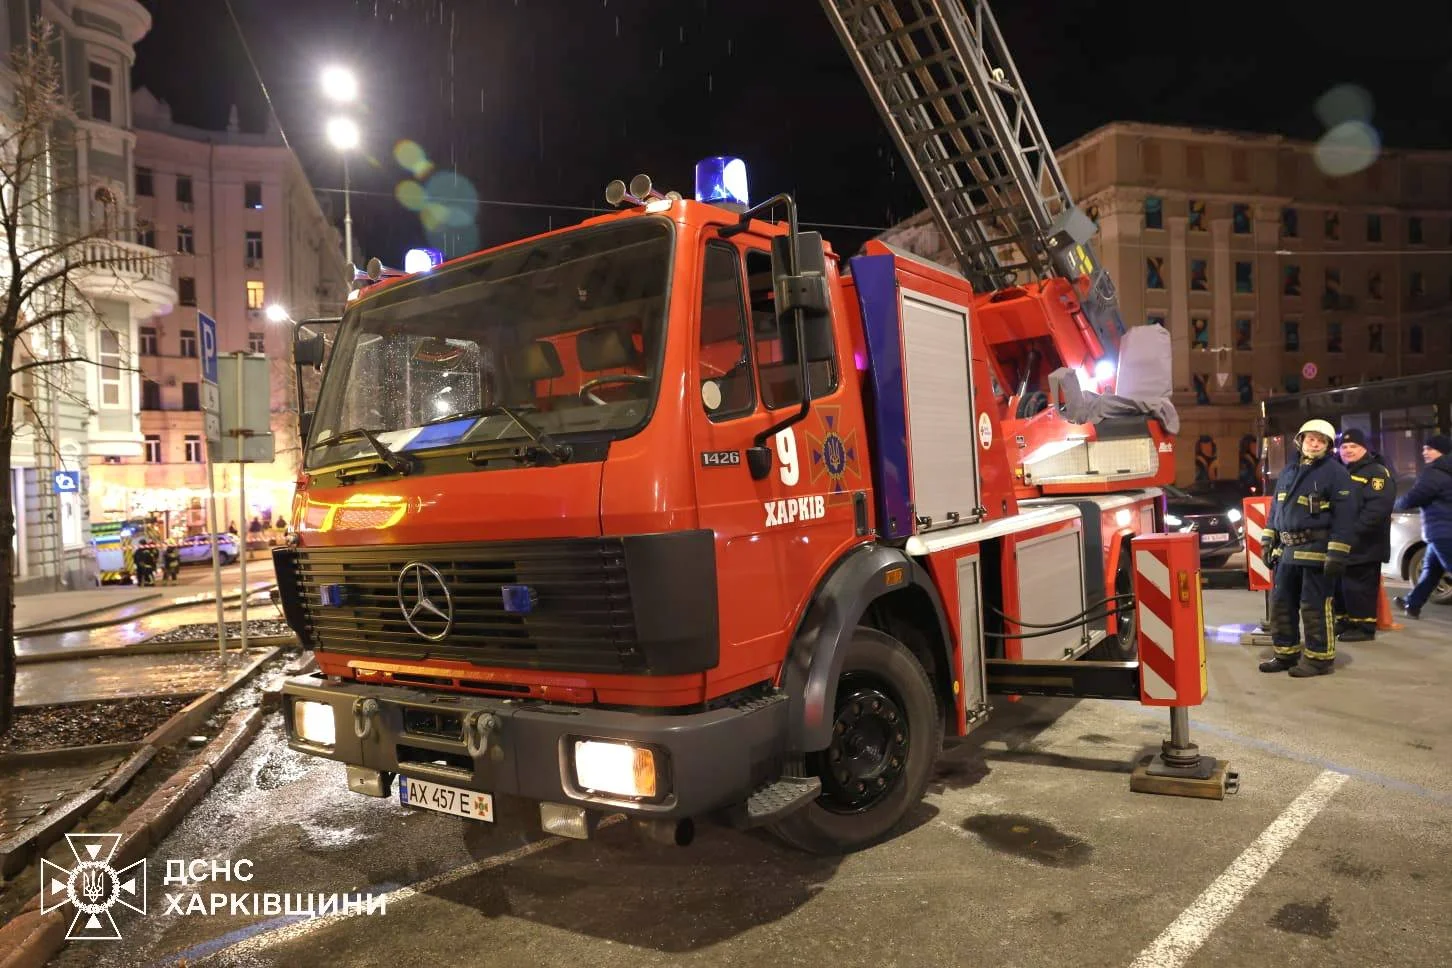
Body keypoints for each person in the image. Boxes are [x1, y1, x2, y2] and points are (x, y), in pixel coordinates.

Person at [1258, 418, 1357, 677]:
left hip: (1317, 551)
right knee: (1281, 604)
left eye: (1321, 441)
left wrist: (1337, 553)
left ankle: (1319, 659)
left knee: (1314, 606)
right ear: (1301, 440)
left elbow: (1345, 516)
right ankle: (1286, 654)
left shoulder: (1335, 473)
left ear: (1328, 446)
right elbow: (1276, 511)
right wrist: (1268, 540)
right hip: (1287, 552)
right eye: (1311, 439)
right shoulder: (1289, 471)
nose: (1315, 444)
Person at [1331, 428, 1396, 641]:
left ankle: (1364, 627)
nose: (1348, 450)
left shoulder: (1376, 472)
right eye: (1344, 446)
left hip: (1365, 543)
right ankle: (1345, 621)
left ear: (1365, 448)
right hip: (1341, 541)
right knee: (1342, 585)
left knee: (1360, 586)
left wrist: (1352, 532)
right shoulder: (1339, 471)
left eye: (1354, 446)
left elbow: (1377, 509)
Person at [1392, 434, 1452, 619]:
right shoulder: (1447, 470)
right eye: (1424, 448)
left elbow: (1415, 496)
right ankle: (1412, 604)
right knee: (1431, 571)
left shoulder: (1434, 472)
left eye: (1430, 449)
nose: (1424, 452)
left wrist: (1393, 505)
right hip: (1442, 531)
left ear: (1441, 451)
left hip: (1442, 531)